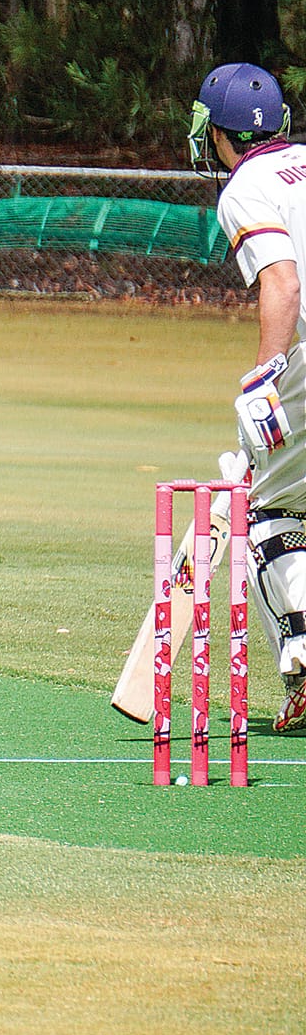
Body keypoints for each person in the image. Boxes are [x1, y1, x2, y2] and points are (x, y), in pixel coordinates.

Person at [188, 61, 306, 731]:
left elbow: (283, 283)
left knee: (266, 510)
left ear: (216, 133)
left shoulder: (246, 186)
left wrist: (264, 381)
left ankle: (305, 663)